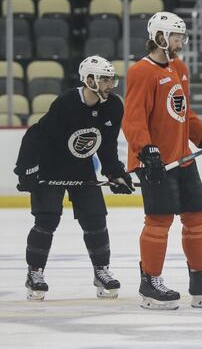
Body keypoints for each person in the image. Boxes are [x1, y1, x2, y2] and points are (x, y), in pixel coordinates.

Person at [123, 11, 202, 310]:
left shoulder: (179, 68)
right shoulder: (141, 72)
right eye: (176, 37)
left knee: (197, 216)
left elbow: (185, 113)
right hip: (155, 162)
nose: (180, 42)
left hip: (182, 158)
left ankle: (199, 281)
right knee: (159, 220)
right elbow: (133, 118)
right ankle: (150, 283)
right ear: (159, 37)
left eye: (181, 37)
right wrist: (146, 150)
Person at [15, 56, 133, 301]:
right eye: (104, 80)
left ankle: (101, 271)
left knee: (96, 219)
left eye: (111, 80)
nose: (110, 85)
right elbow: (36, 136)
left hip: (81, 167)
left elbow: (107, 145)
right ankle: (35, 273)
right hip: (50, 167)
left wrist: (115, 172)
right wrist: (27, 170)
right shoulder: (67, 102)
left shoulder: (113, 106)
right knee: (46, 220)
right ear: (89, 80)